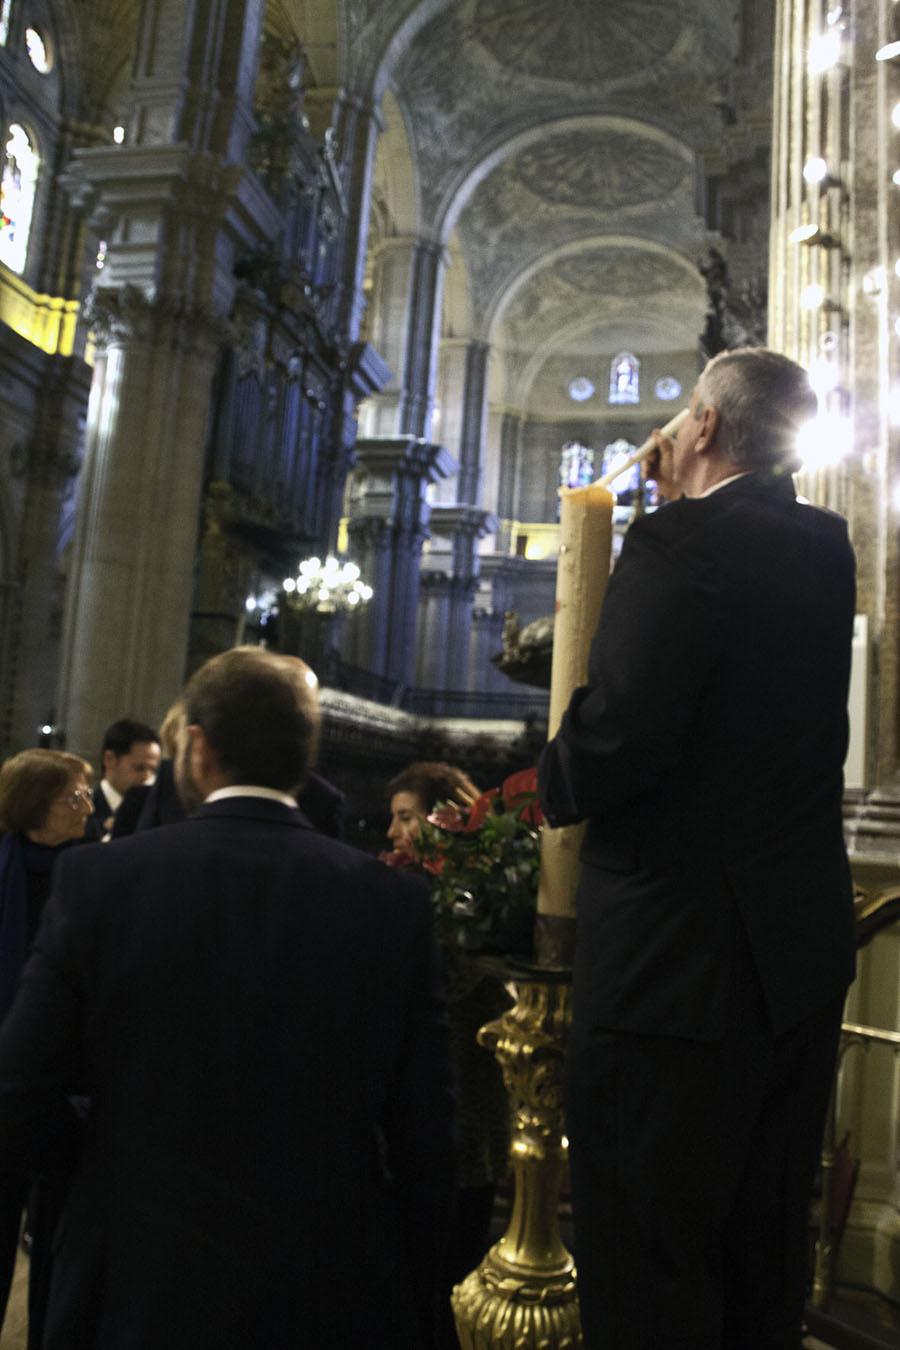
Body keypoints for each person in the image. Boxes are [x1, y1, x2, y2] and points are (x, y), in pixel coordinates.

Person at [0, 647, 455, 1349]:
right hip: (325, 1276)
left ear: (201, 750)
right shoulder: (389, 902)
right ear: (303, 756)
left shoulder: (103, 880)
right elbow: (426, 1132)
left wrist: (108, 1163)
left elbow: (19, 1089)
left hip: (140, 1267)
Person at [539, 347, 857, 1350]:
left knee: (648, 1264)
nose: (670, 433)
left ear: (709, 429)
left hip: (675, 976)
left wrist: (555, 771)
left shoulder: (679, 544)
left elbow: (620, 742)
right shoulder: (825, 545)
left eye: (681, 418)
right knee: (757, 1259)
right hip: (792, 963)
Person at [387, 763, 511, 1346]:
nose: (392, 833)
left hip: (466, 1114)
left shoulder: (468, 898)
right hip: (420, 1119)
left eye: (406, 818)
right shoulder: (410, 890)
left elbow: (446, 982)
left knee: (451, 1277)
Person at [0, 749, 93, 1348]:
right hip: (6, 1077)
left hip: (70, 1086)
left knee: (59, 1244)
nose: (86, 805)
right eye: (73, 796)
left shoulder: (96, 876)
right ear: (36, 810)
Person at [86, 718, 160, 842]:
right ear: (109, 759)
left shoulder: (154, 813)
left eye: (153, 770)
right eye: (140, 768)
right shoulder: (85, 812)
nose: (148, 779)